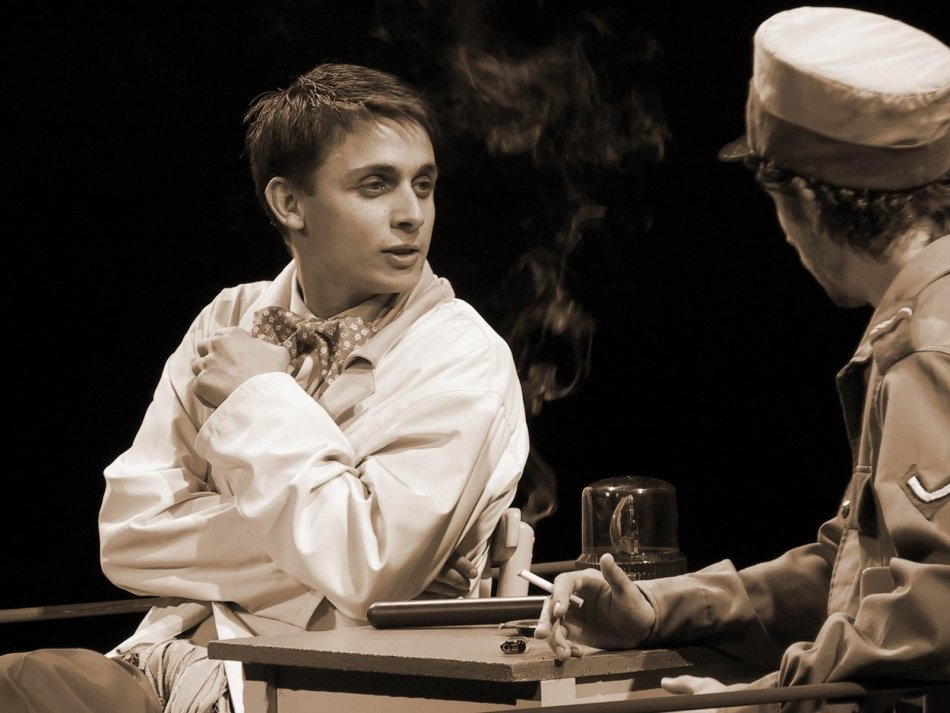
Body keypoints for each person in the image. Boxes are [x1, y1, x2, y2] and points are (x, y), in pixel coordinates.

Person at [0, 62, 529, 713]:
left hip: (333, 685)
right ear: (289, 204)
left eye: (424, 184)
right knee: (17, 680)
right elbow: (130, 534)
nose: (412, 214)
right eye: (375, 185)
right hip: (173, 653)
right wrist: (322, 553)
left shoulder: (460, 355)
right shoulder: (230, 318)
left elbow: (372, 569)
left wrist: (262, 395)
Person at [535, 6, 949, 713]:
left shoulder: (927, 344)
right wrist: (661, 606)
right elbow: (858, 574)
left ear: (804, 200)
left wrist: (760, 702)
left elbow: (929, 619)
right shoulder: (917, 320)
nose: (783, 235)